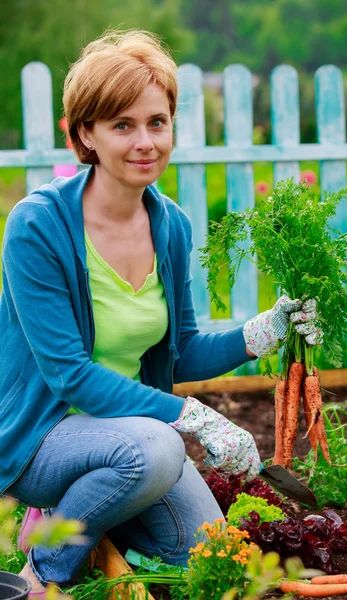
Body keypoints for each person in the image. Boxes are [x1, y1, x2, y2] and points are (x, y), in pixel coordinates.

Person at [0, 30, 322, 595]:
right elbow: (68, 374)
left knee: (200, 547)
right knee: (158, 448)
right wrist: (194, 417)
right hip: (40, 437)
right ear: (85, 135)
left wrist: (263, 331)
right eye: (122, 125)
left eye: (157, 122)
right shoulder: (37, 227)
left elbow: (180, 350)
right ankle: (43, 571)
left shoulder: (169, 224)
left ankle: (93, 516)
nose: (145, 141)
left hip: (127, 437)